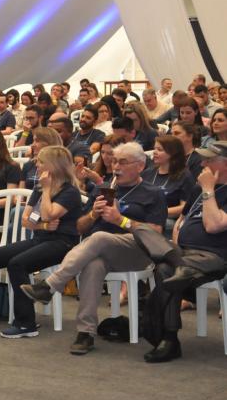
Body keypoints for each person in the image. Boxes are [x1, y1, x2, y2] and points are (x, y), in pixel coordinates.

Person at [22, 142, 167, 355]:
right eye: (114, 161)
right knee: (93, 265)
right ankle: (85, 333)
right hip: (102, 251)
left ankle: (50, 286)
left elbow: (154, 232)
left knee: (99, 237)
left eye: (123, 162)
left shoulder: (153, 193)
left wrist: (121, 221)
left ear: (140, 166)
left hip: (137, 250)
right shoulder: (104, 189)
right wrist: (93, 215)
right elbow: (79, 226)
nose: (116, 166)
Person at [0, 146, 83, 336]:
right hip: (41, 237)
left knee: (17, 264)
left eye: (41, 161)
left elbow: (50, 214)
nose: (36, 164)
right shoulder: (39, 187)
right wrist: (42, 226)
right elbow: (27, 220)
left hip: (63, 243)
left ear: (53, 166)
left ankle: (26, 324)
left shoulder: (69, 191)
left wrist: (48, 190)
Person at [137, 141, 227, 362]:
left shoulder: (205, 188)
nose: (203, 163)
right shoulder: (198, 188)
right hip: (183, 252)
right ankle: (182, 267)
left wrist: (208, 190)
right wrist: (177, 244)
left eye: (209, 160)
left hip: (214, 255)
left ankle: (169, 339)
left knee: (164, 271)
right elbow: (181, 219)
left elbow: (213, 225)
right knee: (141, 230)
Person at [142, 135, 192, 235]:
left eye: (160, 149)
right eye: (154, 148)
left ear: (172, 153)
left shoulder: (184, 176)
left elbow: (185, 207)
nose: (154, 152)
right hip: (143, 215)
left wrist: (158, 213)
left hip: (167, 219)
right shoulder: (147, 172)